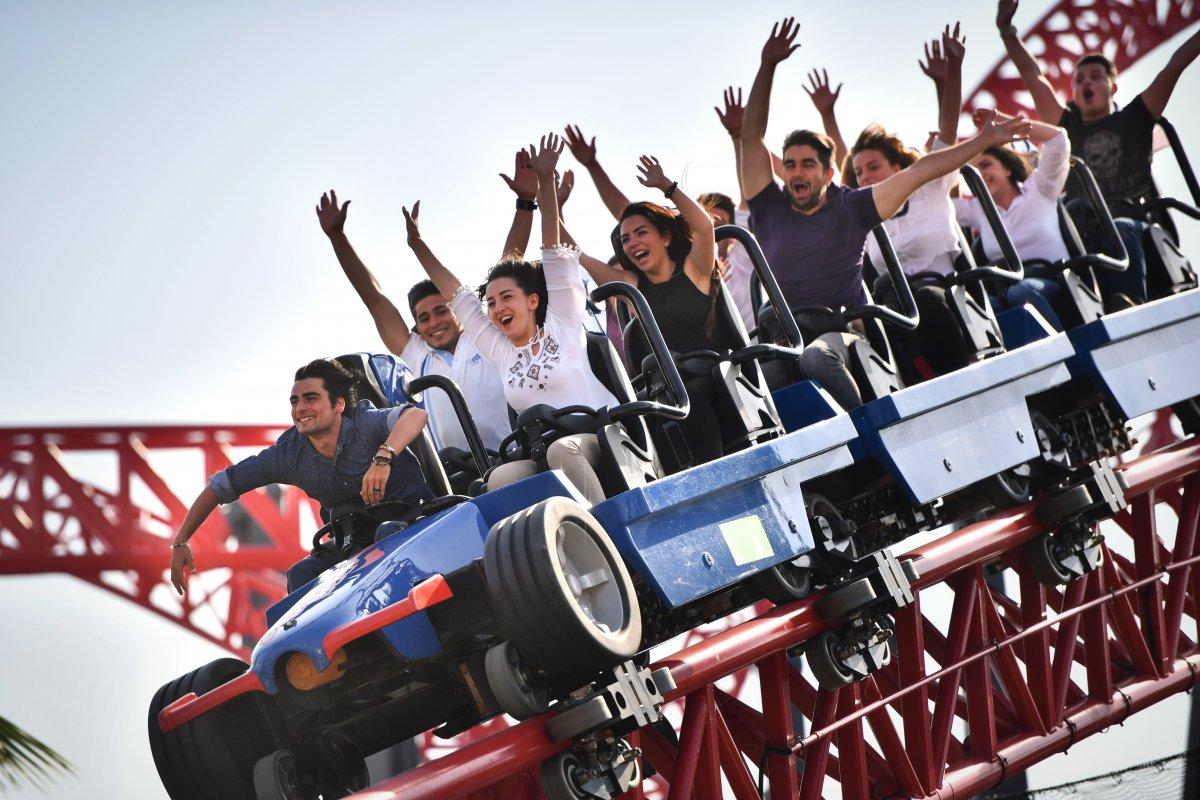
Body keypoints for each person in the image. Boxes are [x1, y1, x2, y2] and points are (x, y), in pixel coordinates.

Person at [741, 17, 1032, 410]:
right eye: (789, 164)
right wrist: (768, 66)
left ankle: (868, 438)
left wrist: (982, 140)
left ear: (828, 173)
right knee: (766, 376)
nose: (796, 172)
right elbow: (751, 137)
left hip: (846, 333)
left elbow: (923, 170)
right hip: (786, 334)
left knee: (817, 359)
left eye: (808, 164)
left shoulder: (851, 207)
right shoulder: (769, 206)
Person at [403, 134, 618, 504]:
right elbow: (458, 296)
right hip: (543, 448)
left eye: (507, 297)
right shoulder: (501, 351)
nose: (496, 306)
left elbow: (552, 251)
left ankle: (607, 533)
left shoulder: (562, 322)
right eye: (491, 301)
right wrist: (417, 245)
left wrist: (547, 183)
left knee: (563, 453)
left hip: (600, 434)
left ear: (533, 300)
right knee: (500, 478)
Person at [995, 0, 1200, 306]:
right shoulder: (1066, 129)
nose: (1086, 82)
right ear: (1073, 93)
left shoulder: (1135, 119)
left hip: (1135, 221)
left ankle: (1129, 303)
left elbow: (1173, 67)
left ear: (1112, 87)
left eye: (1095, 77)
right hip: (1084, 230)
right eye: (1079, 80)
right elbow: (1033, 77)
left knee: (1120, 229)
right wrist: (1007, 32)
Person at [169, 358, 433, 595]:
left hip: (413, 518)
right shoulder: (289, 454)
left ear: (338, 404)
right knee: (300, 575)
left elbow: (416, 414)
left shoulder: (364, 423)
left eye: (311, 398)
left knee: (388, 535)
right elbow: (220, 486)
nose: (300, 408)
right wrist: (180, 541)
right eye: (295, 401)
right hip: (355, 540)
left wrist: (383, 457)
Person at [562, 154, 746, 465]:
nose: (632, 243)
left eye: (641, 233)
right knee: (637, 418)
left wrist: (666, 185)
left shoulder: (694, 269)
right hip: (666, 392)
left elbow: (702, 226)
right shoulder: (631, 287)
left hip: (715, 380)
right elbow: (576, 255)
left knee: (689, 401)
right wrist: (552, 207)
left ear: (664, 235)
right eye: (625, 239)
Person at [316, 190, 510, 454]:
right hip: (464, 476)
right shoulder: (420, 356)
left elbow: (510, 267)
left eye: (441, 311)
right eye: (424, 318)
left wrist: (525, 205)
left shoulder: (486, 335)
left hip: (514, 455)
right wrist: (337, 237)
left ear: (457, 310)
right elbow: (374, 298)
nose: (435, 323)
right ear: (417, 328)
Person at [828, 25, 972, 376]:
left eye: (873, 167)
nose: (864, 178)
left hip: (945, 291)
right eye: (859, 174)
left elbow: (949, 132)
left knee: (919, 300)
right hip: (898, 304)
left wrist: (953, 70)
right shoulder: (868, 216)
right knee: (872, 317)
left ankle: (961, 373)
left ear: (897, 166)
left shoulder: (928, 185)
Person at [956, 109, 1072, 330]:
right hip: (1005, 289)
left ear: (1007, 168)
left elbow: (1058, 140)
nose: (980, 174)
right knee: (982, 308)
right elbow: (939, 205)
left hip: (1055, 280)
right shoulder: (978, 210)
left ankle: (1066, 349)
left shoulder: (1039, 189)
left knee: (1023, 292)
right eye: (975, 169)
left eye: (986, 165)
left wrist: (1003, 122)